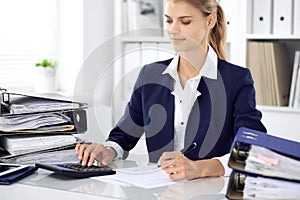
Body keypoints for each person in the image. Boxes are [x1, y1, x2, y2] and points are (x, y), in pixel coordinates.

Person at [75, 0, 266, 180]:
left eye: (185, 21)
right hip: (159, 190)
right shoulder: (150, 74)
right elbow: (124, 135)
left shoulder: (236, 79)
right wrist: (108, 150)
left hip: (211, 190)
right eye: (169, 20)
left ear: (210, 21)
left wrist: (201, 168)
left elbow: (252, 148)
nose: (173, 29)